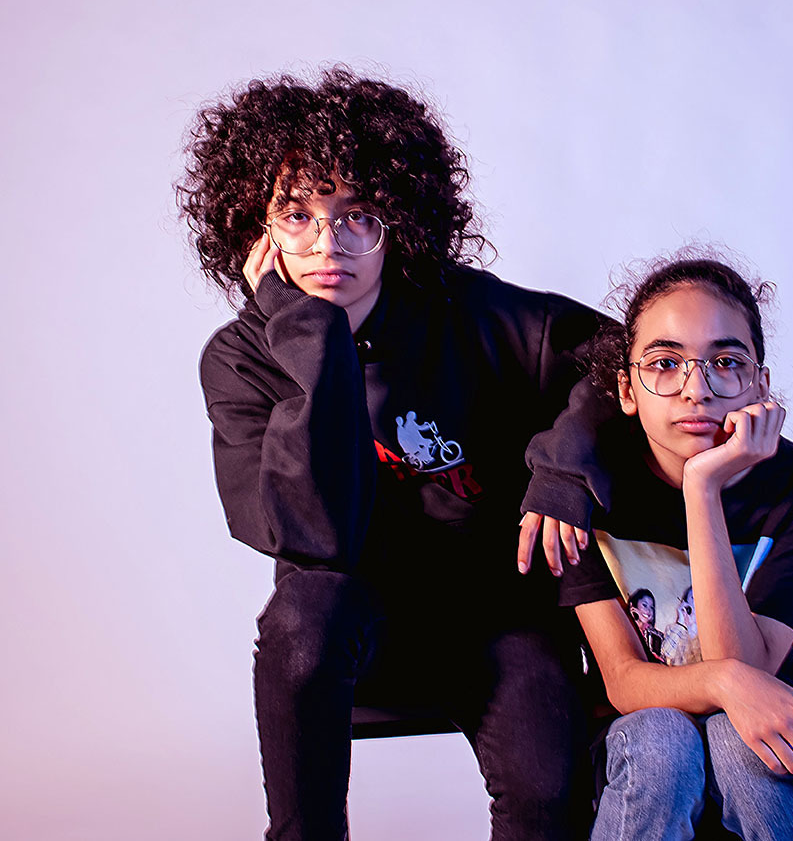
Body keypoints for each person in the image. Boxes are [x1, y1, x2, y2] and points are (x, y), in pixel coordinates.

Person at [178, 66, 600, 840]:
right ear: (256, 229)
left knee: (550, 794)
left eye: (358, 215)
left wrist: (564, 469)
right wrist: (311, 340)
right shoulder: (240, 360)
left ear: (398, 220)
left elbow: (621, 363)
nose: (327, 243)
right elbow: (312, 535)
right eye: (297, 215)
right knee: (301, 615)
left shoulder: (471, 310)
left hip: (492, 610)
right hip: (347, 620)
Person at [520, 254, 793, 840]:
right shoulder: (587, 489)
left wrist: (702, 488)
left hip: (767, 716)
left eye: (725, 363)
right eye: (665, 363)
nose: (696, 390)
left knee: (740, 745)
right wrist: (723, 681)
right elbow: (623, 680)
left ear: (760, 385)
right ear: (626, 389)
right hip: (641, 732)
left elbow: (752, 667)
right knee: (661, 738)